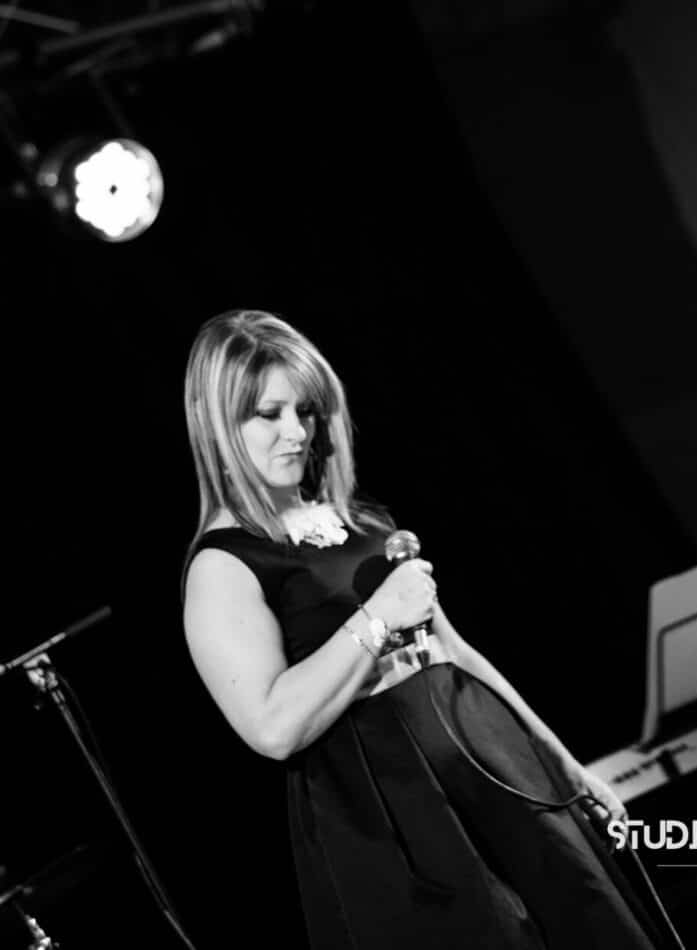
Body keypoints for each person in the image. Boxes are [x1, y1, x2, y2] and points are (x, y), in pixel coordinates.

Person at [181, 309, 666, 948]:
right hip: (399, 817)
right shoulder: (225, 566)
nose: (296, 432)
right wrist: (378, 617)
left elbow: (458, 654)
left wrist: (566, 768)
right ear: (220, 426)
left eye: (306, 411)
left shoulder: (365, 523)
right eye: (268, 415)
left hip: (490, 770)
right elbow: (272, 729)